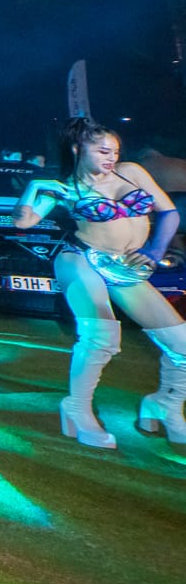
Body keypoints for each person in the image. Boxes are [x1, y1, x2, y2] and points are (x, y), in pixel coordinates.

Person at [14, 119, 183, 449]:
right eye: (103, 151)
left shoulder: (132, 172)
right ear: (78, 149)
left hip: (124, 269)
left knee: (183, 345)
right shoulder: (65, 187)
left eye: (115, 151)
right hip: (80, 259)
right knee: (102, 335)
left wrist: (154, 250)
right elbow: (23, 222)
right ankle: (77, 409)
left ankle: (165, 405)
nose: (111, 158)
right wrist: (34, 188)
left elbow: (169, 212)